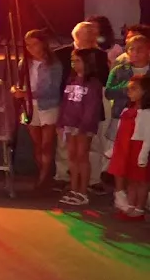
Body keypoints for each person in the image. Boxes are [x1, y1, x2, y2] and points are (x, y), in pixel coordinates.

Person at [12, 29, 61, 191]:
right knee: (37, 144)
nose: (30, 48)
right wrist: (17, 90)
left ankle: (44, 177)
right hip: (29, 106)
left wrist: (25, 93)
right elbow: (20, 82)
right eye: (28, 45)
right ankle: (42, 173)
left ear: (43, 44)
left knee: (47, 144)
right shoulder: (24, 63)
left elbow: (52, 89)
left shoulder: (53, 64)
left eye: (34, 44)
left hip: (48, 105)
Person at [57, 49, 105, 207]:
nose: (74, 64)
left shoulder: (93, 83)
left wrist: (83, 126)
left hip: (84, 126)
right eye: (72, 60)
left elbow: (92, 107)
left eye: (77, 60)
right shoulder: (70, 80)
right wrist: (61, 122)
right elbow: (65, 103)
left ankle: (83, 191)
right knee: (72, 157)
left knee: (82, 157)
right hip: (70, 124)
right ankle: (73, 187)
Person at [106, 74, 150, 219]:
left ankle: (139, 208)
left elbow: (147, 136)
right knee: (131, 180)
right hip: (128, 149)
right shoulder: (127, 110)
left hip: (140, 150)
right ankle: (130, 205)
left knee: (141, 181)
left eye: (133, 89)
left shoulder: (146, 113)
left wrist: (143, 154)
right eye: (129, 89)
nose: (129, 92)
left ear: (144, 91)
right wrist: (114, 149)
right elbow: (120, 132)